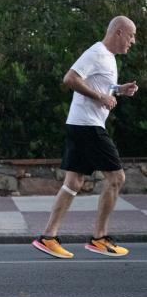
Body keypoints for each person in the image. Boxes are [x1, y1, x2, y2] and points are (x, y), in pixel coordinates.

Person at [32, 16, 138, 259]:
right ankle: (99, 238)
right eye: (131, 35)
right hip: (87, 126)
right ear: (119, 32)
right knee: (116, 178)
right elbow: (70, 78)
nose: (133, 41)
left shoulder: (108, 58)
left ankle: (48, 237)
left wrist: (118, 90)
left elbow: (98, 85)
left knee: (74, 183)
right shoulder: (97, 52)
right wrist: (100, 98)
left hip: (80, 124)